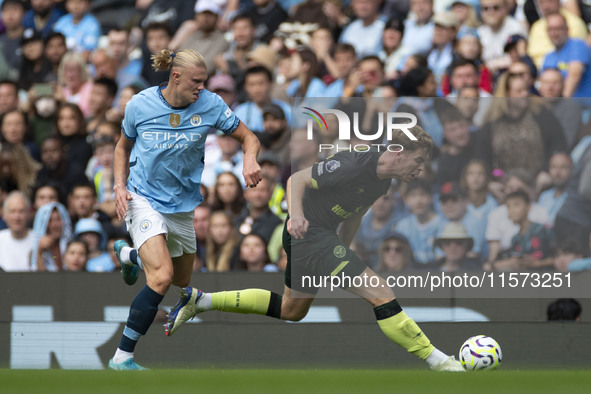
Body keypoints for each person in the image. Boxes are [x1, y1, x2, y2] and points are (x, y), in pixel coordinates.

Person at [165, 125, 466, 372]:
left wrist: (343, 247)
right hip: (308, 234)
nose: (421, 169)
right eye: (418, 161)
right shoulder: (354, 163)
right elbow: (297, 179)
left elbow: (356, 212)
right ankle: (439, 362)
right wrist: (296, 216)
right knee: (381, 293)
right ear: (399, 153)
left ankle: (201, 301)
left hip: (318, 240)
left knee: (291, 309)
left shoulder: (383, 181)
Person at [108, 48, 262, 370]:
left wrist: (249, 159)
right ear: (175, 76)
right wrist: (119, 186)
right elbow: (122, 147)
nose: (201, 88)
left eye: (204, 81)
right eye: (196, 81)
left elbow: (248, 137)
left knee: (181, 278)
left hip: (183, 207)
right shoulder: (140, 104)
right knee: (161, 277)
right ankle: (122, 357)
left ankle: (129, 256)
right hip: (143, 199)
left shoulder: (211, 105)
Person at [0, 191, 35, 271]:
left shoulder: (39, 241)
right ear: (4, 215)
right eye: (12, 211)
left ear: (29, 214)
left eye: (21, 211)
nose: (16, 217)